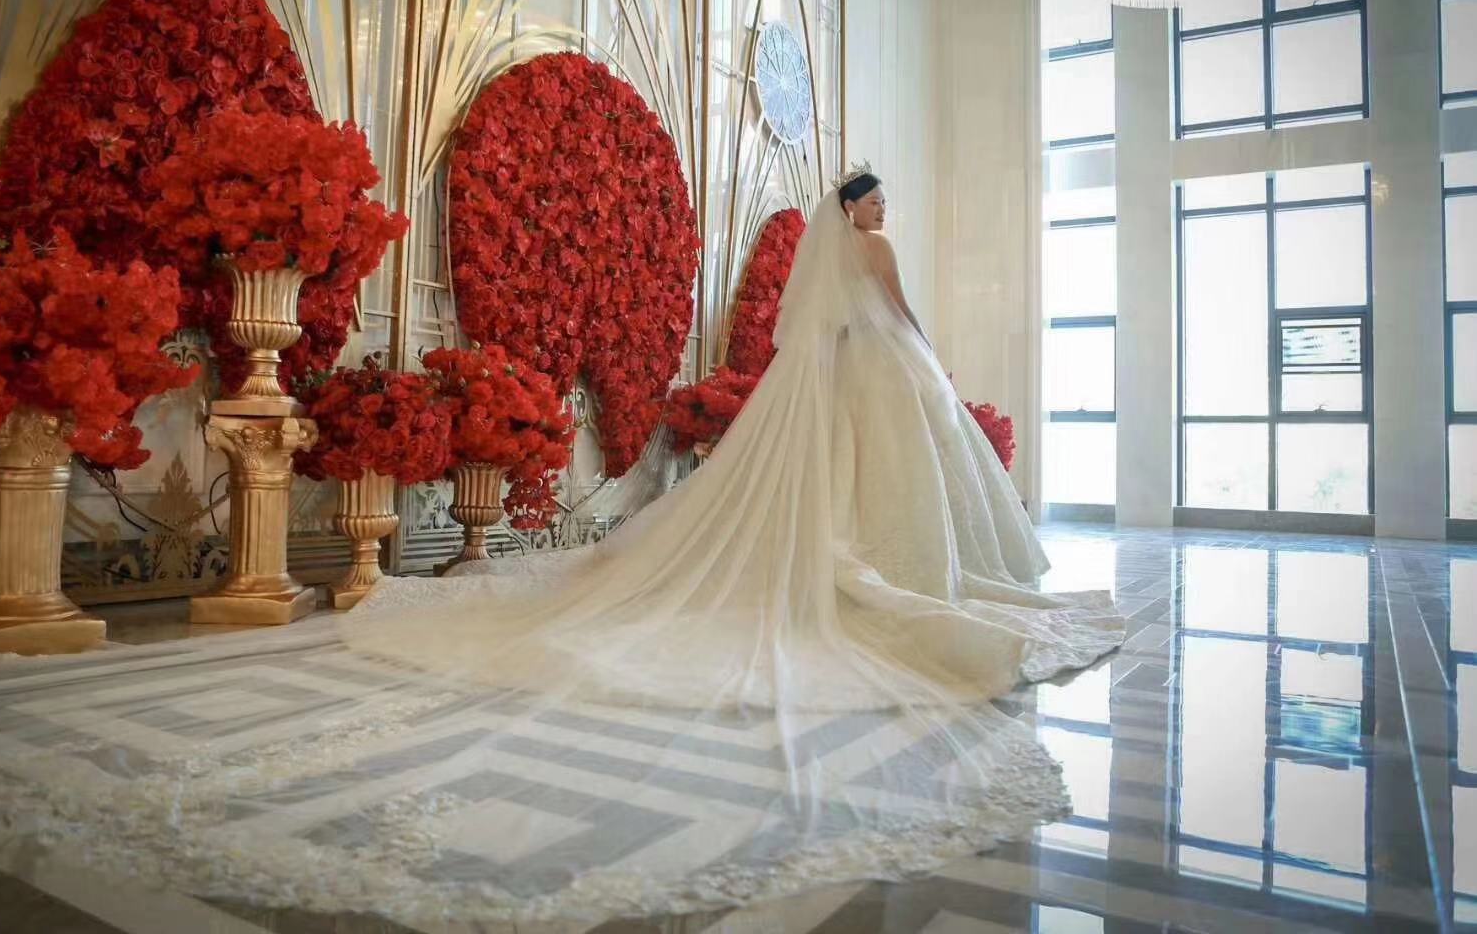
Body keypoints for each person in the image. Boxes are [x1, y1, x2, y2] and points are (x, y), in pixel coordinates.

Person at [326, 163, 1128, 919]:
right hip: (887, 367)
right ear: (853, 209)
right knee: (886, 464)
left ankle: (880, 552)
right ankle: (901, 561)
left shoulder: (831, 255)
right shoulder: (876, 250)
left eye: (884, 202)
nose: (884, 210)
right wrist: (930, 358)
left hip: (852, 369)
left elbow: (824, 327)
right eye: (875, 201)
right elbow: (899, 311)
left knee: (854, 469)